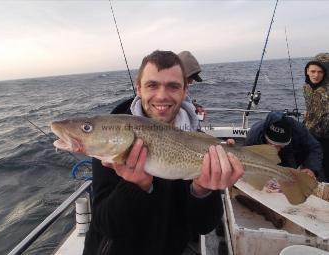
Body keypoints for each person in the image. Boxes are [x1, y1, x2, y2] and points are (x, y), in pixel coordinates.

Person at [83, 50, 244, 255]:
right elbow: (106, 226)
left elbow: (203, 226)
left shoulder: (201, 142)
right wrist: (135, 187)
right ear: (138, 88)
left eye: (173, 86)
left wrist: (202, 191)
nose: (161, 95)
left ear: (185, 90)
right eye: (152, 85)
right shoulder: (115, 134)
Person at [244, 111, 323, 179]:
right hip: (263, 157)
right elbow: (247, 158)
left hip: (290, 154)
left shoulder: (298, 129)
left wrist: (311, 168)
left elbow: (314, 147)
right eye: (272, 144)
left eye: (280, 145)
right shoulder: (255, 134)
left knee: (288, 177)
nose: (276, 149)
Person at [303, 53, 329, 182]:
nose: (316, 75)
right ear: (307, 71)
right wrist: (308, 112)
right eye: (313, 71)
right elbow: (310, 105)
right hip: (312, 135)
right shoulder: (306, 87)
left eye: (320, 72)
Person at [178, 51, 206, 120]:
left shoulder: (183, 92)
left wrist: (195, 108)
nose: (191, 81)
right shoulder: (170, 96)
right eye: (190, 77)